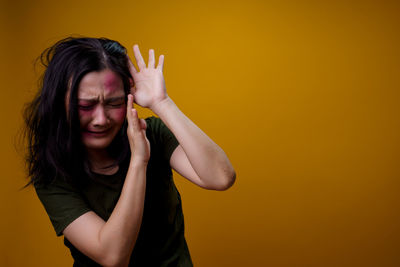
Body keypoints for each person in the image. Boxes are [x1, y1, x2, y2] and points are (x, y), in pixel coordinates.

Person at [23, 37, 236, 267]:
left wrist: (161, 102)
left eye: (114, 104)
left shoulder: (152, 134)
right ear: (59, 103)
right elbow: (113, 256)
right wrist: (139, 161)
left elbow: (221, 177)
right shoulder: (54, 175)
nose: (101, 119)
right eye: (85, 106)